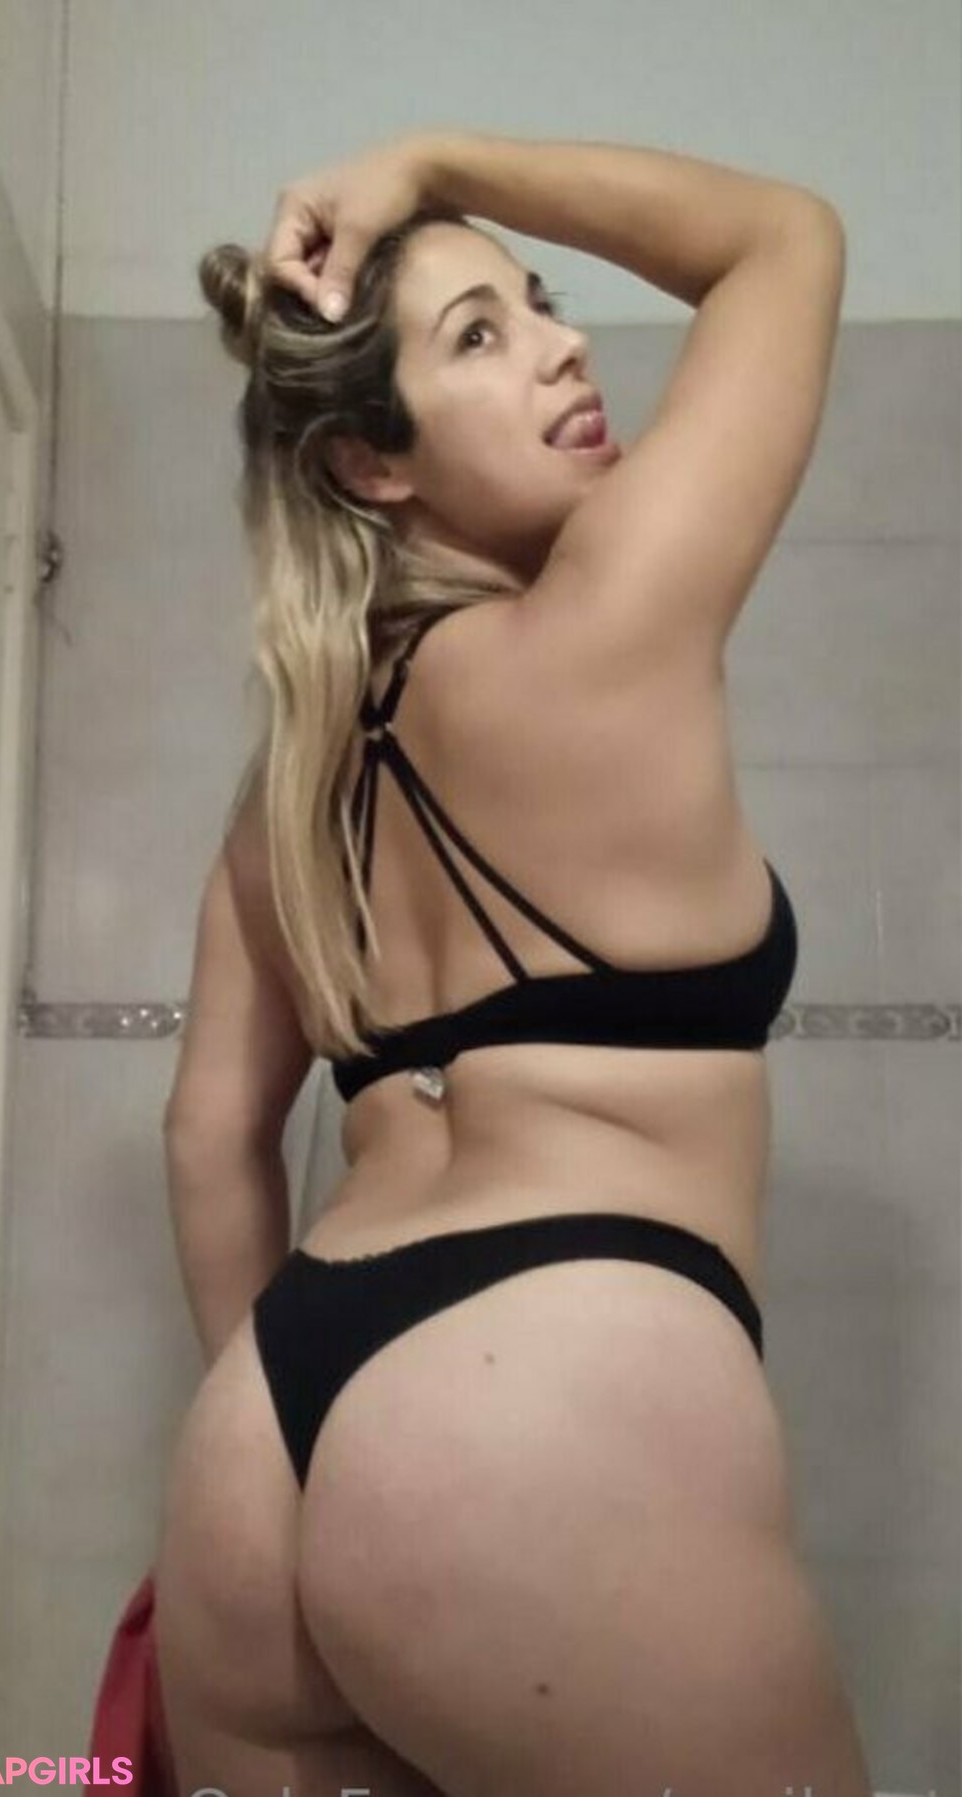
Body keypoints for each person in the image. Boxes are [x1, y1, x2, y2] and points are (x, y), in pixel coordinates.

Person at [154, 131, 873, 1795]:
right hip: (536, 1410)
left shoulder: (286, 791)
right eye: (480, 334)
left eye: (541, 301)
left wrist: (307, 1445)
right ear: (369, 464)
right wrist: (432, 156)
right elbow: (783, 237)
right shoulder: (603, 626)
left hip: (261, 1443)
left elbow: (207, 1137)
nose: (564, 345)